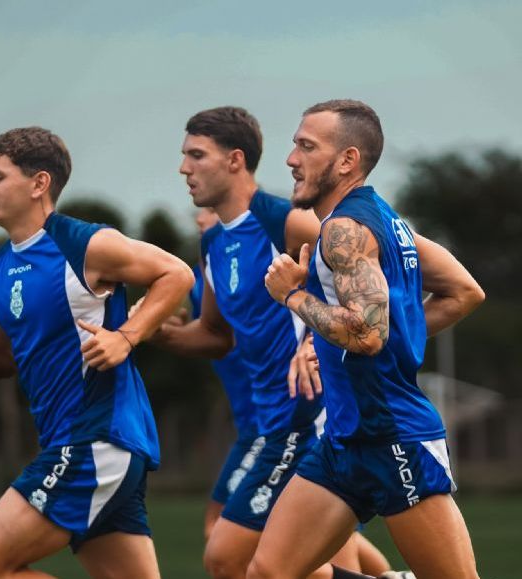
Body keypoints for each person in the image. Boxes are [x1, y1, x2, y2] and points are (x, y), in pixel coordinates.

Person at [0, 127, 194, 579]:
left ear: (39, 184)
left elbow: (176, 273)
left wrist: (126, 336)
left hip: (97, 440)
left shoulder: (83, 244)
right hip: (81, 444)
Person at [256, 99, 485, 579]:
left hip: (393, 437)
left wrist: (293, 297)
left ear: (346, 161)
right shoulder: (384, 220)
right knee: (267, 573)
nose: (291, 159)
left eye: (305, 146)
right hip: (344, 439)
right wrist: (333, 340)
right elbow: (463, 292)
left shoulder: (345, 228)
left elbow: (368, 335)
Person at [147, 106, 363, 579]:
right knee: (277, 562)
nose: (184, 167)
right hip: (269, 420)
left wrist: (317, 345)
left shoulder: (286, 222)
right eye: (184, 156)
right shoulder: (213, 243)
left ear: (235, 160)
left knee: (228, 556)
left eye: (196, 155)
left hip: (305, 415)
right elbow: (215, 336)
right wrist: (150, 332)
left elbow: (371, 277)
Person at [187, 208, 260, 542]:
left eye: (212, 213)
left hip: (272, 426)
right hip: (252, 424)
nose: (201, 220)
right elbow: (206, 333)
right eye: (199, 216)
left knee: (219, 530)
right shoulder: (199, 278)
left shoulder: (258, 259)